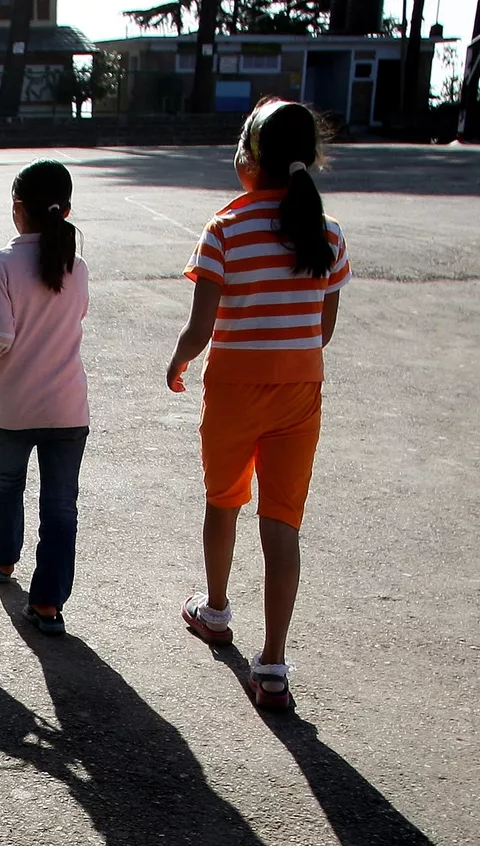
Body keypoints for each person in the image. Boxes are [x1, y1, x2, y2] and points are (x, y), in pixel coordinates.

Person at [164, 98, 350, 710]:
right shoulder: (327, 233)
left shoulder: (224, 229)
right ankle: (272, 664)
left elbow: (201, 328)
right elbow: (322, 331)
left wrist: (179, 360)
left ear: (248, 157)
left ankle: (216, 611)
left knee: (223, 501)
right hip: (298, 393)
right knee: (282, 523)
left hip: (234, 392)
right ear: (309, 159)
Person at [0, 160, 90, 637]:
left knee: (7, 480)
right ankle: (48, 604)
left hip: (14, 405)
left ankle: (3, 560)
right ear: (66, 210)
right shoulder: (76, 266)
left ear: (16, 207)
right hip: (67, 406)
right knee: (61, 505)